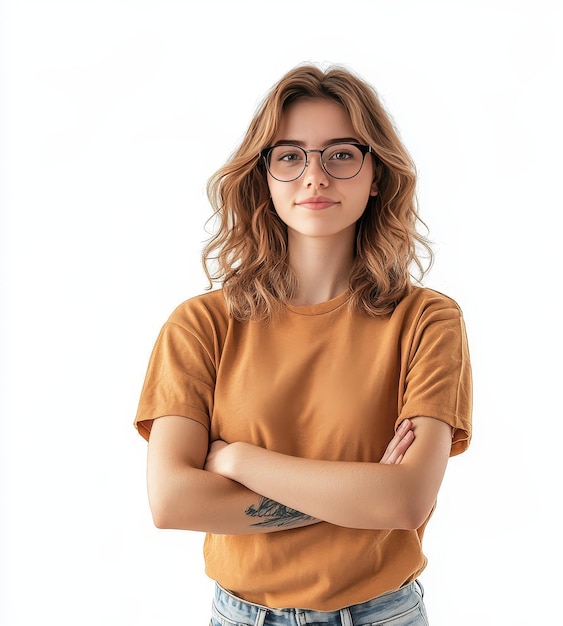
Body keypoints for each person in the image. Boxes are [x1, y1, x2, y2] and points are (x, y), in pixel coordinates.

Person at [134, 63, 472, 626]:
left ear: (377, 175)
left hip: (381, 615)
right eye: (290, 156)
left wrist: (237, 459)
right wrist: (356, 495)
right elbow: (172, 502)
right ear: (263, 177)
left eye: (341, 154)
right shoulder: (200, 325)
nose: (314, 176)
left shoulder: (427, 321)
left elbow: (405, 501)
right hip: (241, 615)